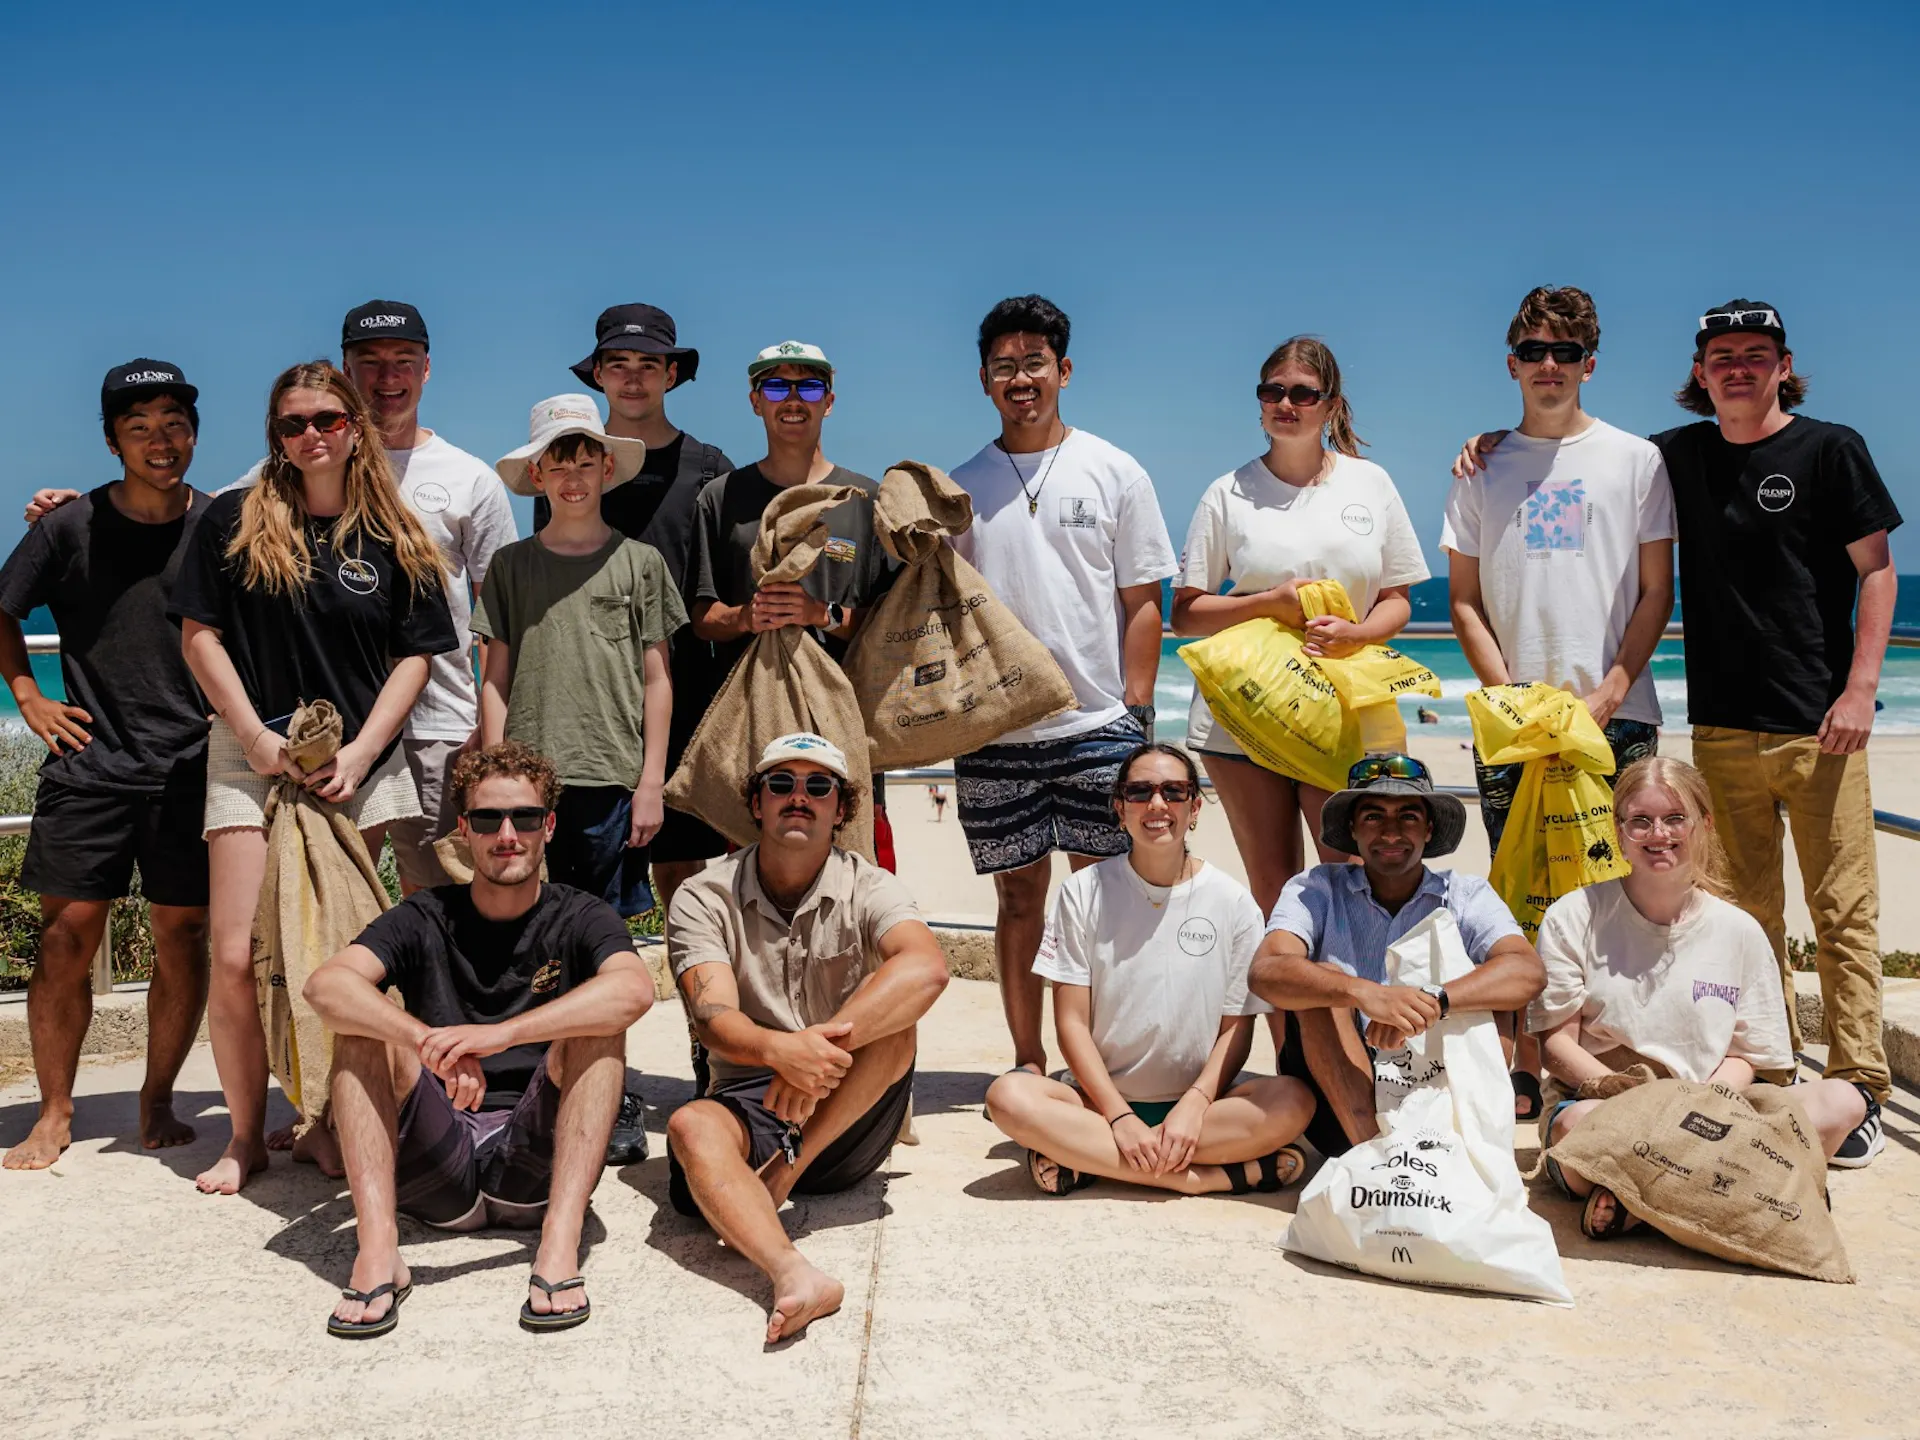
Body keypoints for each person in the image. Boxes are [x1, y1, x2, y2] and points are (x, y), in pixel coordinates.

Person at [1453, 299, 1899, 1167]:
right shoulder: (1672, 455)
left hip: (1819, 723)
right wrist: (1485, 443)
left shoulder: (1825, 448)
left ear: (1783, 362)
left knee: (1843, 913)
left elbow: (1876, 572)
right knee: (1741, 913)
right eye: (1722, 355)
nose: (1737, 367)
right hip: (1721, 728)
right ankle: (1766, 1070)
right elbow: (1555, 464)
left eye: (1755, 354)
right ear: (1700, 370)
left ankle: (1862, 1087)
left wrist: (1861, 689)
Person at [23, 302, 519, 897]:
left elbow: (498, 616)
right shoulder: (276, 471)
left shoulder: (470, 478)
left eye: (403, 361)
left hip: (440, 725)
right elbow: (192, 517)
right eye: (370, 362)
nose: (388, 376)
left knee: (443, 904)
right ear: (344, 370)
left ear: (427, 368)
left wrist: (494, 732)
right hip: (319, 733)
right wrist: (84, 509)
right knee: (322, 908)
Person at [168, 360, 457, 1195]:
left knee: (343, 957)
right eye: (293, 424)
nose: (311, 436)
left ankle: (333, 1120)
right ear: (276, 435)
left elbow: (416, 654)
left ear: (355, 427)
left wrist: (364, 751)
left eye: (327, 419)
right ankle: (248, 1133)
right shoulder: (234, 517)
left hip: (357, 759)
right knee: (234, 954)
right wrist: (253, 735)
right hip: (249, 749)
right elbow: (199, 635)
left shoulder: (394, 531)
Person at [303, 742, 654, 1337]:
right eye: (488, 819)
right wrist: (427, 1043)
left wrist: (498, 1037)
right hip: (437, 1169)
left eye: (523, 817)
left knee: (600, 1028)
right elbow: (325, 987)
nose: (507, 834)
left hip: (535, 1168)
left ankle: (557, 1248)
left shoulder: (582, 915)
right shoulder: (425, 915)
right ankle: (379, 1251)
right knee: (360, 1029)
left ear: (547, 826)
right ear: (465, 830)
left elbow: (634, 991)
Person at [1439, 285, 1675, 1122]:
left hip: (1619, 714)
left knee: (1625, 893)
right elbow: (1463, 597)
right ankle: (1527, 1063)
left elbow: (1656, 590)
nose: (1549, 366)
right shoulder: (1480, 464)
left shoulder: (1636, 460)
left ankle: (1608, 1059)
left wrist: (1613, 686)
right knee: (1520, 895)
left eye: (1565, 353)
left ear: (1589, 364)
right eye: (1534, 351)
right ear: (1511, 362)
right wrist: (1506, 695)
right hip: (1513, 725)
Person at [948, 296, 1178, 1076]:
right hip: (995, 733)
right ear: (984, 380)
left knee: (1102, 901)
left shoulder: (1115, 470)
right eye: (1005, 366)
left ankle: (1106, 1061)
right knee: (1017, 903)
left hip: (1096, 726)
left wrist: (1135, 710)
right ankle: (1026, 1059)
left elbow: (1143, 600)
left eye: (1035, 363)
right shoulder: (961, 488)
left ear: (1064, 371)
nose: (1022, 378)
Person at [664, 733, 948, 1344]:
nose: (800, 797)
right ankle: (793, 1272)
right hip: (752, 1104)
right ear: (757, 802)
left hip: (847, 1118)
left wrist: (818, 1052)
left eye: (818, 786)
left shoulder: (867, 884)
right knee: (689, 1125)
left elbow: (926, 968)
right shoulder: (702, 895)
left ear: (841, 809)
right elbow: (711, 1015)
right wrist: (778, 1053)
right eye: (781, 783)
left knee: (899, 1028)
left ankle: (781, 1182)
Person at [0, 360, 211, 1170]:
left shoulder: (222, 523)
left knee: (181, 934)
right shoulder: (68, 526)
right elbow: (3, 611)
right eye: (140, 427)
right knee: (65, 938)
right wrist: (28, 696)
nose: (161, 441)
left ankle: (156, 1100)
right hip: (87, 759)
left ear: (193, 431)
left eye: (174, 423)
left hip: (192, 763)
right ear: (113, 439)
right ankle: (55, 1109)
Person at [1531, 757, 1870, 1239]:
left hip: (1713, 1108)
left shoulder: (1739, 930)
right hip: (1608, 1104)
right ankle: (1731, 1195)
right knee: (1577, 1128)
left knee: (1842, 1100)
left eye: (1675, 819)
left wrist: (1701, 1106)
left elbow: (1746, 1055)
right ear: (1618, 829)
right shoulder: (1574, 916)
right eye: (1640, 821)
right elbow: (1556, 1045)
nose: (1658, 833)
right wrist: (1628, 1097)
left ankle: (1644, 1200)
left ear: (1704, 824)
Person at [1171, 336, 1428, 915]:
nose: (1286, 403)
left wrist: (1358, 635)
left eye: (1303, 394)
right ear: (1260, 401)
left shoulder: (1371, 484)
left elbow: (1398, 599)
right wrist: (1268, 603)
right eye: (1273, 391)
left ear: (1331, 405)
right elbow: (1185, 613)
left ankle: (1352, 1006)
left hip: (1341, 712)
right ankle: (1288, 1010)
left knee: (1354, 885)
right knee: (1275, 895)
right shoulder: (1226, 493)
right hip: (1241, 716)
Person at [985, 743, 1314, 1196]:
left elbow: (1237, 1028)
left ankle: (1090, 1160)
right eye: (1139, 792)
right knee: (1007, 1097)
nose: (1156, 805)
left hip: (1200, 1108)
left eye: (1173, 791)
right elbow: (1071, 1023)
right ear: (1119, 810)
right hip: (1097, 1103)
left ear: (1194, 807)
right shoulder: (1082, 891)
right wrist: (1118, 1116)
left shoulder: (1233, 901)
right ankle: (1208, 1179)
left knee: (1294, 1102)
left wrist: (1194, 1105)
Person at [1247, 756, 1547, 1158]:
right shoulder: (1316, 887)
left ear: (1429, 828)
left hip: (1439, 1090)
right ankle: (1381, 1157)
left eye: (1407, 816)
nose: (1390, 832)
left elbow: (1526, 971)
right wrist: (1363, 993)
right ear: (1353, 829)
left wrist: (1432, 1001)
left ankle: (1467, 1139)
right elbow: (1266, 971)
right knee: (1321, 981)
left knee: (1495, 989)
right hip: (1338, 1099)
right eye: (1373, 817)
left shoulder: (1463, 893)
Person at [685, 339, 897, 865]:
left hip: (849, 722)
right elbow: (701, 618)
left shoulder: (865, 500)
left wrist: (819, 614)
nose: (793, 399)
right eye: (776, 386)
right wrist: (747, 617)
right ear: (755, 401)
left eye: (808, 385)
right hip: (756, 722)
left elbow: (892, 626)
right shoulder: (719, 499)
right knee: (756, 873)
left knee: (861, 874)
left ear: (829, 400)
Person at [475, 395, 683, 918]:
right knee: (521, 921)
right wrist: (494, 775)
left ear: (607, 468)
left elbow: (657, 681)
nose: (574, 478)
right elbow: (494, 678)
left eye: (586, 464)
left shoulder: (641, 563)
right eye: (559, 465)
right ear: (537, 473)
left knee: (601, 931)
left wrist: (651, 782)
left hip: (610, 777)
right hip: (526, 780)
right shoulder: (509, 565)